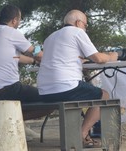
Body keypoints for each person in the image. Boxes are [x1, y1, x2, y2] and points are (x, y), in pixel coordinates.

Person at [37, 9, 119, 148]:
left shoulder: (50, 37)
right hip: (65, 87)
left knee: (87, 93)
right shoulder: (77, 32)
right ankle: (82, 134)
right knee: (104, 95)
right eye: (86, 25)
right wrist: (112, 56)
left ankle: (83, 134)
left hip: (44, 91)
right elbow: (98, 58)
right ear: (78, 22)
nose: (86, 28)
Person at [0, 4, 49, 121]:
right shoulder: (11, 32)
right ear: (14, 20)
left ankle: (11, 121)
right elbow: (34, 51)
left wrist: (34, 62)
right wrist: (49, 58)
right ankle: (13, 121)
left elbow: (15, 56)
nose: (19, 23)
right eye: (20, 19)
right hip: (6, 90)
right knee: (50, 98)